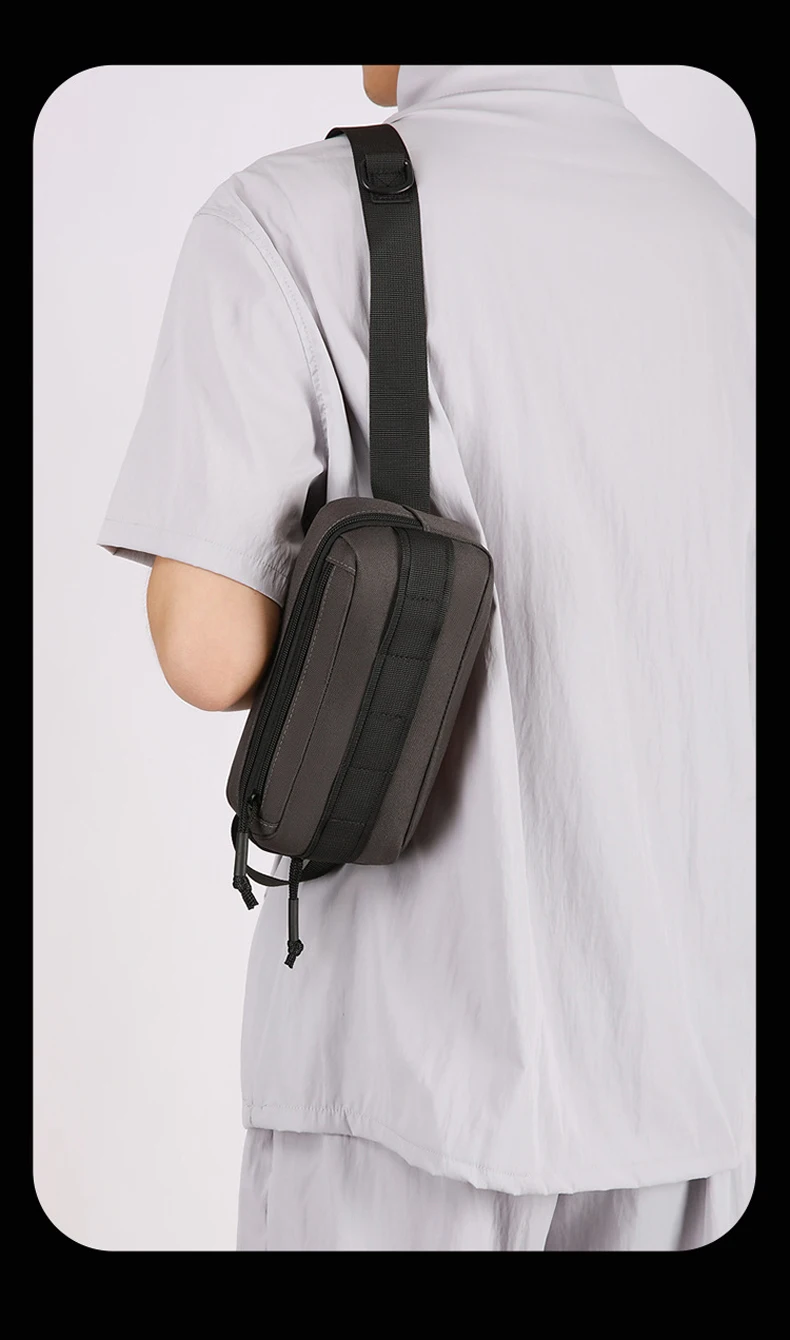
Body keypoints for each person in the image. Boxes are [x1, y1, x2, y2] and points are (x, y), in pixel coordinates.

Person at [99, 65, 755, 1252]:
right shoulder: (727, 234)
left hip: (405, 1095)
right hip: (702, 1088)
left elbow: (205, 650)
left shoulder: (289, 218)